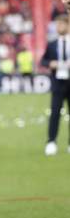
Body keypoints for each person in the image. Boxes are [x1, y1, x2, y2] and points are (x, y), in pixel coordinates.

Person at [41, 13, 70, 156]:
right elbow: (43, 60)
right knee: (55, 113)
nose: (59, 27)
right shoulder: (52, 44)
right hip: (58, 84)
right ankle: (51, 142)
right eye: (57, 24)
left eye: (61, 24)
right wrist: (50, 63)